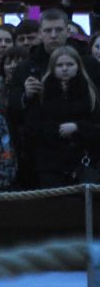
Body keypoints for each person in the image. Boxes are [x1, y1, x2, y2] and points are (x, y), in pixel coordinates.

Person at [21, 45, 100, 189]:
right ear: (53, 67)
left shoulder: (90, 94)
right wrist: (57, 130)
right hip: (50, 164)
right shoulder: (41, 94)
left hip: (83, 161)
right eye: (60, 65)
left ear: (78, 66)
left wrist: (78, 127)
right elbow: (32, 127)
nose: (65, 68)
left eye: (69, 64)